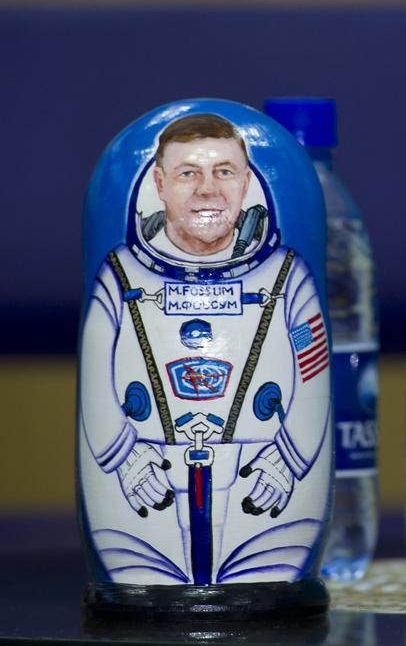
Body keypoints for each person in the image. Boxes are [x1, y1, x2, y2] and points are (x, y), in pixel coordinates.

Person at [78, 113, 330, 586]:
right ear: (159, 183)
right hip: (141, 491)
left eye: (224, 172)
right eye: (188, 173)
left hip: (264, 488)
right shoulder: (121, 277)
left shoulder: (285, 278)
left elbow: (312, 369)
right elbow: (95, 377)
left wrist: (290, 456)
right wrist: (123, 457)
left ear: (247, 182)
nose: (207, 190)